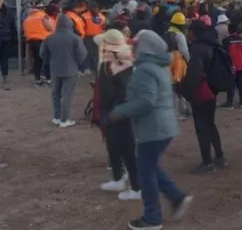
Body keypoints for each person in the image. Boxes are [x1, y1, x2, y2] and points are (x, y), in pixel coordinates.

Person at [109, 30, 192, 230]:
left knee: (145, 171)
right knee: (149, 166)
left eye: (135, 45)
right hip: (161, 126)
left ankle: (152, 218)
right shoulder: (157, 65)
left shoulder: (146, 68)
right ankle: (176, 197)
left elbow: (146, 101)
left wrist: (119, 111)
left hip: (154, 127)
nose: (132, 48)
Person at [95, 29, 141, 201]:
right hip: (128, 108)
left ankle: (135, 186)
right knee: (120, 145)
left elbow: (105, 94)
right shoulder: (129, 61)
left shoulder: (106, 65)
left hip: (115, 110)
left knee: (123, 147)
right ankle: (122, 179)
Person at [183, 21, 227, 174]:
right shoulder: (213, 45)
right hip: (212, 90)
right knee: (210, 123)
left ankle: (207, 161)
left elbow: (194, 74)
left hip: (201, 91)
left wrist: (185, 91)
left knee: (201, 126)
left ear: (194, 33)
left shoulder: (197, 49)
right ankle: (220, 156)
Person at [40, 14, 87, 128]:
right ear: (70, 24)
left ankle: (56, 117)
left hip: (55, 70)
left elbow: (42, 54)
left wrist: (51, 60)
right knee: (67, 95)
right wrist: (78, 65)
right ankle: (65, 120)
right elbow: (82, 55)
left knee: (55, 94)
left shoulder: (49, 38)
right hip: (70, 70)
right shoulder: (75, 38)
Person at [22, 0, 53, 86]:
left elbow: (24, 30)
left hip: (31, 41)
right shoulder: (43, 16)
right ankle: (49, 79)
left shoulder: (27, 19)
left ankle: (37, 79)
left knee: (37, 60)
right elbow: (50, 28)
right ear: (42, 8)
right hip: (43, 40)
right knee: (47, 60)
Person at [221, 22, 242, 109]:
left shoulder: (226, 40)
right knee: (241, 83)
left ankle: (229, 103)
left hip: (231, 65)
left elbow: (224, 54)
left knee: (231, 84)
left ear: (229, 30)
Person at [0, 0, 16, 90]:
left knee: (4, 60)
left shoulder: (8, 11)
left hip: (6, 38)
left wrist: (14, 38)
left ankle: (5, 79)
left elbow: (12, 25)